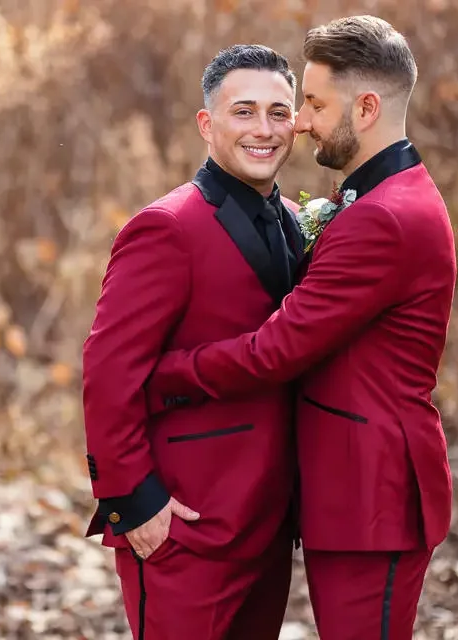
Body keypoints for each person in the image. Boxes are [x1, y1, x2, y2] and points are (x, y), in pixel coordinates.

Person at [144, 15, 458, 640]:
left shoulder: (384, 219)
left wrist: (169, 372)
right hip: (349, 489)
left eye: (313, 103)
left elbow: (276, 349)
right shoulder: (376, 200)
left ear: (366, 108)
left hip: (373, 490)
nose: (302, 121)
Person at [81, 44, 305, 639]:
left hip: (269, 520)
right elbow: (108, 372)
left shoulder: (292, 219)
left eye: (279, 113)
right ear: (207, 124)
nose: (264, 129)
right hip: (186, 520)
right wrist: (133, 500)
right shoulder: (166, 228)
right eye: (244, 112)